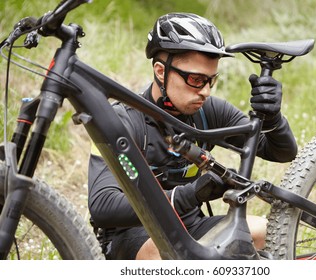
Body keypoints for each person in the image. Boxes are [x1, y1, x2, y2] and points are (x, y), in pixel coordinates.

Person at [88, 12, 297, 260]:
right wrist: (190, 194)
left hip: (192, 228)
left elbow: (281, 152)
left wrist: (273, 118)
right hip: (135, 236)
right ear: (160, 71)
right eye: (196, 80)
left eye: (211, 80)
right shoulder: (122, 120)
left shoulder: (208, 112)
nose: (206, 92)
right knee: (166, 252)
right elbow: (102, 205)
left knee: (265, 232)